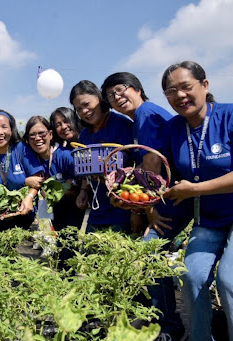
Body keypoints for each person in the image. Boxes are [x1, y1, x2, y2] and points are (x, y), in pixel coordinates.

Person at [101, 72, 191, 340]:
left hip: (174, 197)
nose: (117, 98)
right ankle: (163, 320)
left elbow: (152, 164)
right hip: (171, 195)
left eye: (121, 90)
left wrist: (148, 209)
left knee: (148, 253)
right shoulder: (142, 116)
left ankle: (169, 327)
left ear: (137, 88)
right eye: (110, 96)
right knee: (155, 255)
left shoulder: (146, 114)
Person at [161, 61, 233, 341]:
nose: (179, 95)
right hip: (208, 219)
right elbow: (161, 174)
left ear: (205, 86)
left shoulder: (231, 115)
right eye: (171, 91)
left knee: (230, 281)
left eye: (186, 87)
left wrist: (195, 189)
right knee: (190, 276)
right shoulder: (172, 129)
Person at [69, 80, 133, 233]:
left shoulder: (122, 125)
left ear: (99, 98)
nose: (84, 111)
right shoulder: (84, 135)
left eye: (86, 104)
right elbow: (86, 167)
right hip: (98, 207)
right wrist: (83, 191)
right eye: (79, 109)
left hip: (122, 207)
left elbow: (137, 164)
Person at [49, 107, 85, 229]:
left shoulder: (87, 139)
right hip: (68, 202)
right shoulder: (63, 149)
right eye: (58, 124)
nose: (63, 127)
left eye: (66, 121)